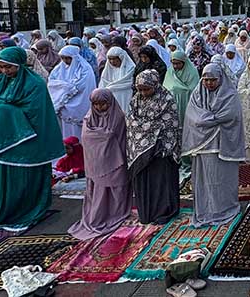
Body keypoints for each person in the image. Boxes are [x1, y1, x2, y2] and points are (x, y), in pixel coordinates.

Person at [0, 47, 64, 230]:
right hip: (4, 143)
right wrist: (3, 111)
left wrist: (4, 111)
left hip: (29, 141)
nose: (5, 71)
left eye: (9, 67)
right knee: (7, 180)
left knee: (27, 179)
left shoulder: (34, 84)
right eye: (1, 67)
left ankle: (32, 210)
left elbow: (34, 113)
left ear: (19, 64)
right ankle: (8, 212)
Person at [182, 64, 245, 227]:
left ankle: (224, 209)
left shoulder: (230, 95)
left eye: (213, 80)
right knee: (205, 180)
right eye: (206, 80)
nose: (209, 83)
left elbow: (230, 114)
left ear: (220, 79)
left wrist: (207, 120)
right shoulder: (197, 94)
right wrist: (211, 119)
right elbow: (193, 115)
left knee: (221, 179)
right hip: (202, 146)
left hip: (222, 146)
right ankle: (206, 211)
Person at [68, 89, 131, 240]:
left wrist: (102, 136)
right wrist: (104, 135)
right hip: (96, 161)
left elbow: (117, 136)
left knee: (116, 186)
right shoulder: (89, 117)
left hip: (116, 159)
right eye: (95, 104)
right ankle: (100, 215)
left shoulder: (118, 116)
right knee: (99, 190)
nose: (99, 108)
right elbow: (86, 136)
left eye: (103, 104)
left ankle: (117, 213)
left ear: (110, 103)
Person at [127, 70, 181, 224]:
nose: (143, 93)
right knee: (145, 182)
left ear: (155, 85)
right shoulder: (135, 100)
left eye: (146, 89)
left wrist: (146, 129)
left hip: (160, 151)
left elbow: (169, 125)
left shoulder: (166, 99)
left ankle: (163, 212)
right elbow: (131, 122)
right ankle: (147, 212)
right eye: (140, 89)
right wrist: (148, 129)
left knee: (160, 183)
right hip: (141, 152)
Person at [48, 46, 97, 139]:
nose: (65, 60)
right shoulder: (59, 68)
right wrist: (66, 88)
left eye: (68, 58)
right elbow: (52, 83)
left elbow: (81, 86)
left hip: (79, 103)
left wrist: (65, 87)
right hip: (64, 105)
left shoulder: (85, 69)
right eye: (63, 58)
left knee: (79, 132)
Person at [164, 50, 200, 129]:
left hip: (187, 102)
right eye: (174, 63)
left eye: (178, 63)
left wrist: (179, 89)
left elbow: (194, 88)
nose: (175, 66)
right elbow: (166, 87)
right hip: (173, 103)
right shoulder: (170, 71)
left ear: (184, 62)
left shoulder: (192, 72)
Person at [100, 47, 136, 113]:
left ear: (121, 57)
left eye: (114, 59)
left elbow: (128, 83)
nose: (112, 61)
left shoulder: (130, 68)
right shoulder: (107, 70)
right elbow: (103, 84)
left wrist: (111, 87)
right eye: (110, 59)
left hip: (125, 96)